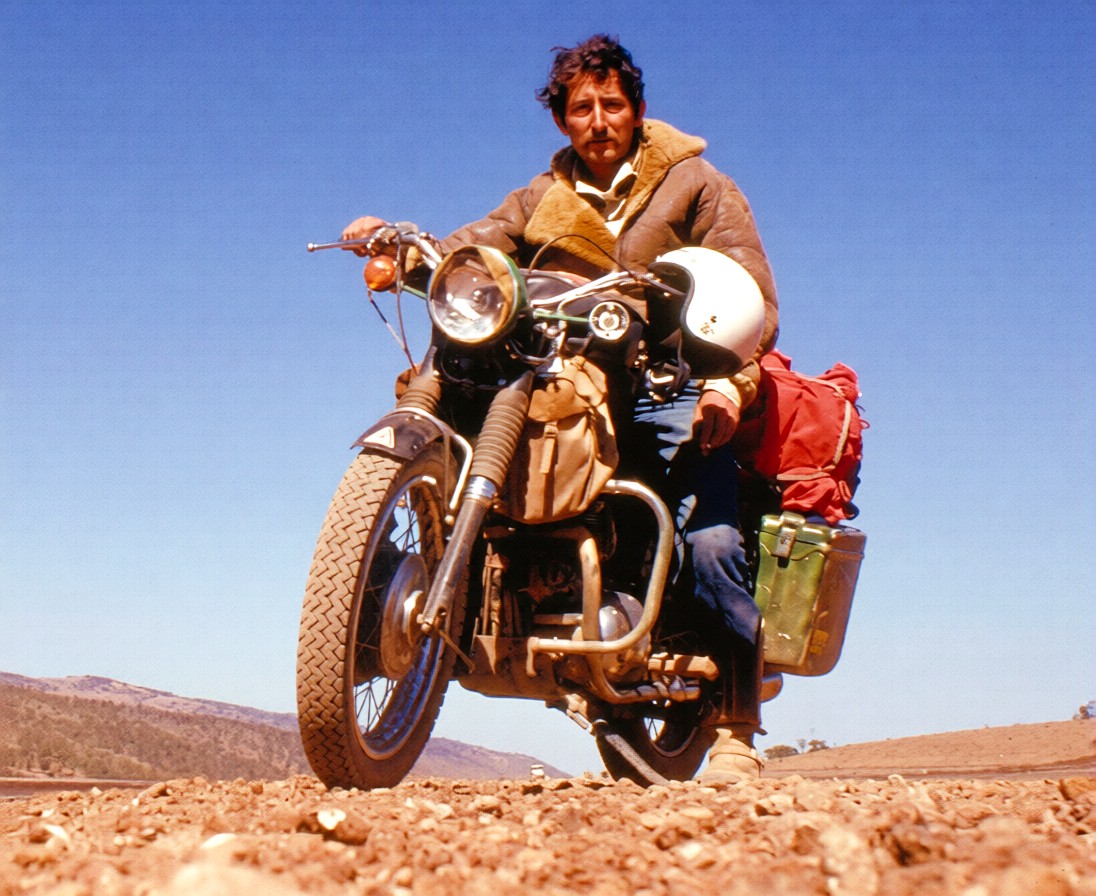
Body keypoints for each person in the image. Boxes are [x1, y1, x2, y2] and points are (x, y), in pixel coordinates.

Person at [342, 34, 778, 783]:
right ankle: (360, 630)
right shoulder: (544, 196)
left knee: (707, 536)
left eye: (612, 103)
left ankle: (737, 722)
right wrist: (406, 250)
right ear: (562, 120)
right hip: (563, 372)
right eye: (582, 107)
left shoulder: (696, 184)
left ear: (637, 109)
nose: (598, 119)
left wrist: (725, 385)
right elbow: (474, 249)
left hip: (659, 379)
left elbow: (750, 292)